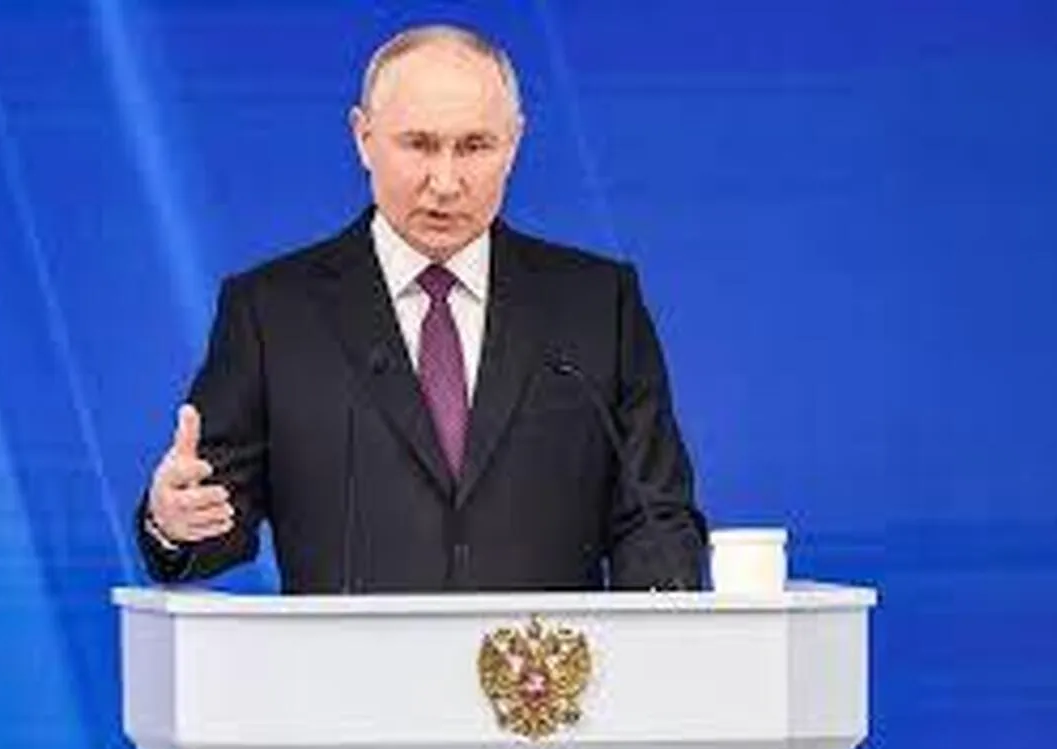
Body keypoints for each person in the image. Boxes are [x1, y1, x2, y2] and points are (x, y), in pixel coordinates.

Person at [137, 23, 707, 593]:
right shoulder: (272, 313)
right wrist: (173, 522)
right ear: (363, 138)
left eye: (475, 146)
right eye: (419, 144)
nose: (446, 182)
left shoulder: (597, 304)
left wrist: (665, 613)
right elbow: (213, 516)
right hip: (348, 652)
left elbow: (654, 516)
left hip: (540, 653)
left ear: (514, 143)